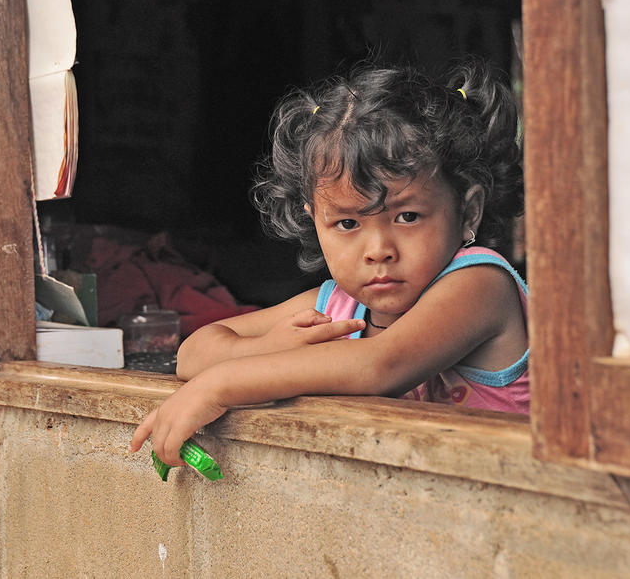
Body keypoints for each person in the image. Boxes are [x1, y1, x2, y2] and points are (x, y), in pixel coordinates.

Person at [131, 57, 527, 466]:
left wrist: (219, 385)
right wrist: (268, 346)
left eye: (407, 216)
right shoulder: (336, 308)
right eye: (347, 222)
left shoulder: (481, 283)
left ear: (469, 212)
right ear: (314, 221)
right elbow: (191, 354)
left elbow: (379, 365)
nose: (378, 249)